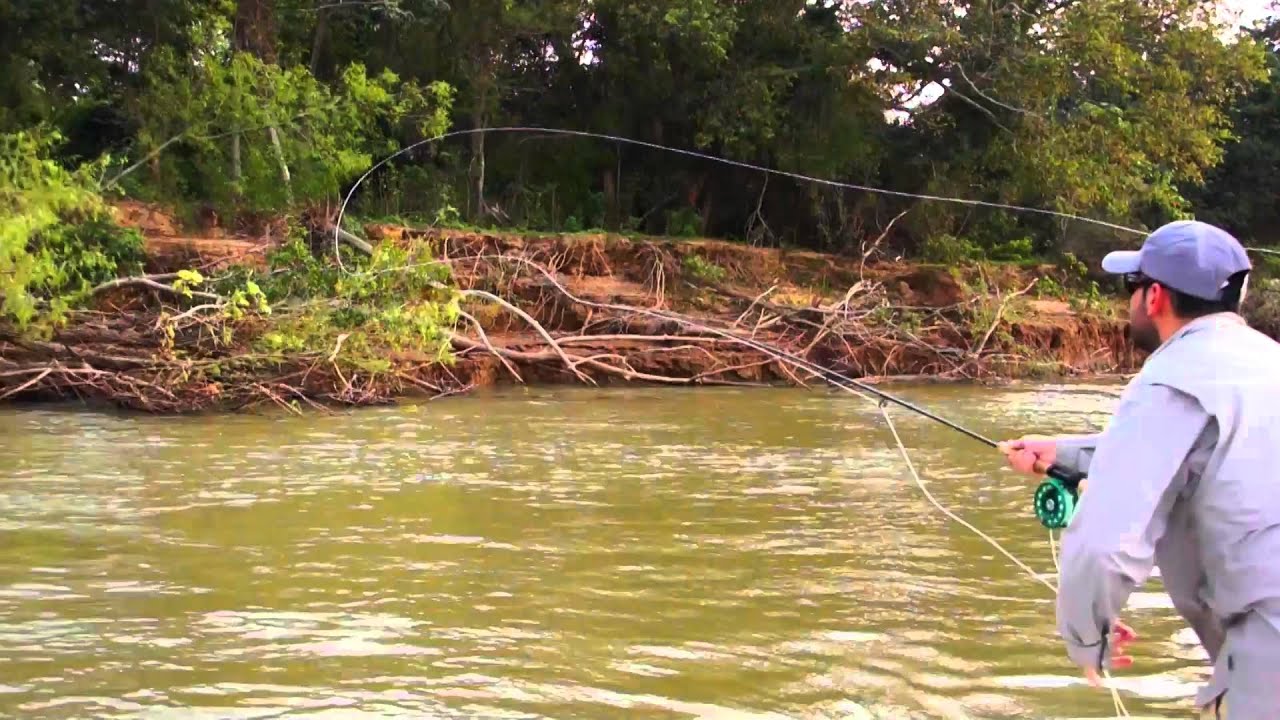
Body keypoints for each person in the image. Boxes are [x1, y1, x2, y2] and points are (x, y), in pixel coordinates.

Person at [998, 220, 1280, 719]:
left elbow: (1105, 544)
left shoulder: (1171, 378)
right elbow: (1203, 451)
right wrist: (1065, 454)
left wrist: (1087, 638)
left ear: (1154, 298)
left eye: (1131, 287)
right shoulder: (1265, 361)